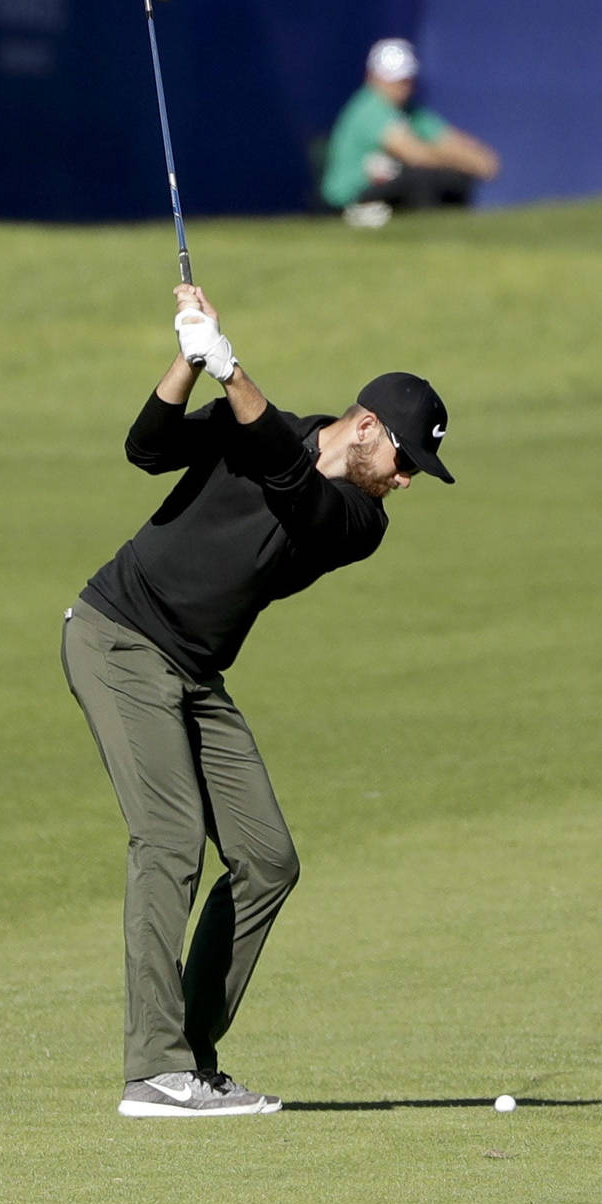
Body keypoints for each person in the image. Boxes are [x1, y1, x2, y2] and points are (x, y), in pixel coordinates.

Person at [61, 282, 455, 1117]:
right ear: (366, 428)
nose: (406, 481)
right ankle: (153, 1071)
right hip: (119, 638)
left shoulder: (358, 521)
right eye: (406, 461)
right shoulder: (263, 430)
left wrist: (231, 369)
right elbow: (148, 446)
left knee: (268, 859)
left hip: (196, 672)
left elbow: (290, 480)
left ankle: (191, 1062)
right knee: (168, 839)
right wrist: (188, 354)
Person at [321, 38, 501, 226]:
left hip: (388, 195)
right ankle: (428, 236)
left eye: (405, 79)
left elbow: (452, 143)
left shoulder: (412, 112)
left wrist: (475, 160)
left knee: (455, 179)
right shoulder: (370, 108)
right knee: (423, 179)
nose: (402, 86)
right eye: (394, 79)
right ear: (372, 77)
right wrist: (463, 162)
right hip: (351, 202)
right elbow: (415, 155)